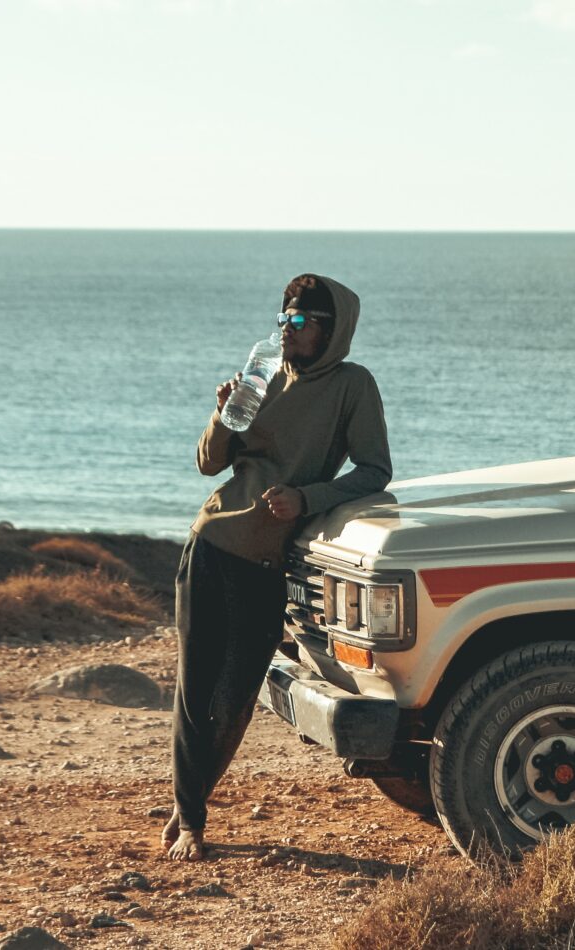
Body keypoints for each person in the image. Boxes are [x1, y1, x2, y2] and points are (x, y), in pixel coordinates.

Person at [164, 274, 392, 861]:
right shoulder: (262, 377)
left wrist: (307, 499)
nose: (285, 330)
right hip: (211, 545)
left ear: (330, 328)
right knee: (195, 689)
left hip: (266, 563)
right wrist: (223, 414)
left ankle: (190, 799)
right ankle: (191, 815)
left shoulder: (351, 386)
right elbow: (208, 463)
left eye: (299, 322)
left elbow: (374, 471)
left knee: (236, 694)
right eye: (283, 318)